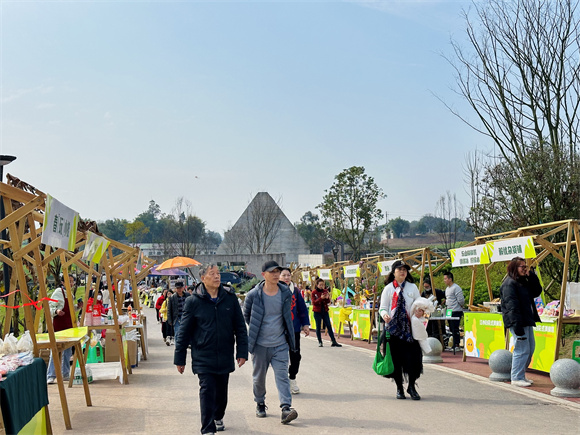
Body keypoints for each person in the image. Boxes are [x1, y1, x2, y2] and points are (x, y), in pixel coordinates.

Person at [174, 264, 248, 434]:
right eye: (212, 274)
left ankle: (218, 415)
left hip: (224, 353)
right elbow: (184, 331)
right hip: (202, 355)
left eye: (218, 274)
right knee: (207, 390)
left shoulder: (229, 298)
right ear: (202, 278)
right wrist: (180, 359)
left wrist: (242, 352)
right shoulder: (193, 301)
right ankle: (207, 428)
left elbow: (240, 327)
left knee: (221, 392)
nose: (217, 277)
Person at [244, 260, 298, 425]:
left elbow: (286, 316)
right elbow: (247, 315)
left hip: (280, 343)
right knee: (258, 378)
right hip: (260, 345)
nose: (275, 274)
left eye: (277, 271)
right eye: (272, 272)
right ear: (263, 275)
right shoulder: (253, 295)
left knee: (282, 376)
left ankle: (286, 408)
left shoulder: (285, 293)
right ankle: (260, 403)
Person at [379, 260, 422, 400]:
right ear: (393, 272)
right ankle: (399, 388)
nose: (402, 272)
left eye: (405, 269)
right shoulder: (388, 289)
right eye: (399, 269)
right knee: (396, 361)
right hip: (393, 330)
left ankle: (411, 386)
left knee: (413, 359)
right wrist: (384, 315)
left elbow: (420, 304)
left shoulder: (412, 287)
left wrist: (420, 311)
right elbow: (383, 307)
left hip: (410, 331)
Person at [500, 257, 542, 387]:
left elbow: (536, 291)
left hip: (526, 320)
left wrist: (532, 276)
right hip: (518, 321)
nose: (525, 269)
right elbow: (511, 306)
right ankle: (516, 377)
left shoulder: (523, 282)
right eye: (522, 267)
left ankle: (521, 375)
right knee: (521, 349)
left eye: (526, 267)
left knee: (530, 349)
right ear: (514, 268)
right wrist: (516, 324)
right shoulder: (509, 284)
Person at [279, 267, 310, 394]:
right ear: (279, 276)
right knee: (280, 357)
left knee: (296, 356)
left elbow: (302, 309)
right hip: (279, 330)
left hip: (294, 329)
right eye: (284, 275)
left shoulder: (296, 291)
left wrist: (305, 325)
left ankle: (292, 378)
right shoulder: (275, 291)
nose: (286, 278)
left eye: (288, 275)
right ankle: (283, 383)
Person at [47, 275, 76, 384]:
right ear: (63, 282)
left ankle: (65, 373)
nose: (71, 284)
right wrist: (57, 312)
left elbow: (71, 311)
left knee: (67, 350)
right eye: (69, 281)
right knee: (55, 349)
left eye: (72, 282)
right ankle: (51, 375)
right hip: (59, 325)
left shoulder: (70, 295)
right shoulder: (58, 292)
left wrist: (78, 306)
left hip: (68, 325)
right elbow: (50, 306)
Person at [311, 278, 342, 348]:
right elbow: (314, 302)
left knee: (328, 325)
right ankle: (320, 341)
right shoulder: (314, 292)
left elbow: (328, 301)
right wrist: (321, 298)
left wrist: (327, 298)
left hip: (324, 311)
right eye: (320, 285)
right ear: (317, 285)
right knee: (318, 327)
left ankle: (333, 341)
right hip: (317, 311)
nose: (322, 286)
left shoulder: (325, 291)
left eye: (323, 285)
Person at [443, 271, 465, 350]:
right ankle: (453, 343)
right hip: (449, 310)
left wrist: (461, 305)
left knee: (455, 327)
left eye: (445, 279)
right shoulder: (447, 289)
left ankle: (457, 344)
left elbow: (461, 299)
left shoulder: (456, 287)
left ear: (450, 279)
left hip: (456, 310)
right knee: (450, 327)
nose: (444, 280)